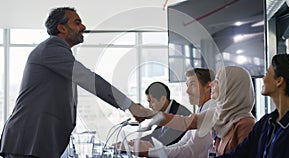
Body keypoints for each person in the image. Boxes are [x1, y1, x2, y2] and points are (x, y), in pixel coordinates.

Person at [0, 7, 153, 158]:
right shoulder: (52, 48)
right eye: (77, 23)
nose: (83, 27)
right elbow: (88, 79)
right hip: (28, 142)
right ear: (61, 28)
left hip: (34, 143)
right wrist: (131, 106)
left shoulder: (59, 52)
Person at [155, 66, 256, 156]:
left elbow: (191, 150)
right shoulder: (219, 114)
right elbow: (186, 124)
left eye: (217, 80)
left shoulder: (246, 123)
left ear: (231, 87)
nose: (212, 84)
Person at [217, 54, 289, 158]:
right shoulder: (265, 123)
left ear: (279, 81)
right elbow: (239, 154)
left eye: (267, 74)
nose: (263, 79)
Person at [134, 68, 215, 158]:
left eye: (193, 85)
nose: (187, 91)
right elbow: (181, 143)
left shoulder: (211, 111)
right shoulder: (200, 110)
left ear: (208, 87)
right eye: (187, 85)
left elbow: (190, 151)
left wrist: (151, 152)